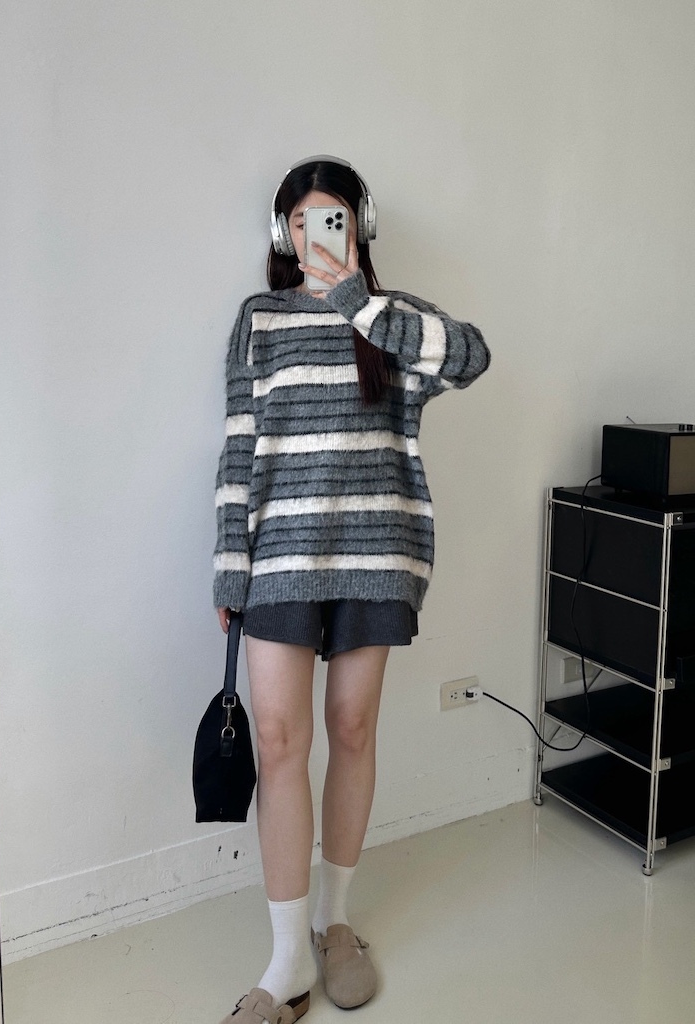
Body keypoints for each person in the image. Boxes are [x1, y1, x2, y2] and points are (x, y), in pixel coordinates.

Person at [213, 156, 490, 1024]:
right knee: (278, 742)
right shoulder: (259, 319)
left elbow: (473, 357)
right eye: (299, 221)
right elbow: (239, 445)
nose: (313, 235)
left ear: (359, 227)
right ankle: (286, 958)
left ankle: (336, 925)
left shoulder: (391, 317)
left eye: (329, 218)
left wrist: (356, 301)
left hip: (378, 550)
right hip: (281, 558)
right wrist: (229, 564)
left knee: (353, 729)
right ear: (281, 232)